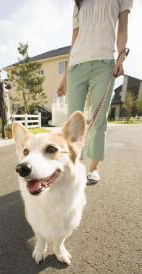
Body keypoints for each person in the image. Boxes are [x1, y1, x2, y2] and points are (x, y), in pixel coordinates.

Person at [58, 0, 133, 185]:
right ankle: (72, 166)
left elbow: (122, 29)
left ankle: (93, 168)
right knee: (73, 122)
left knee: (98, 119)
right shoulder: (79, 3)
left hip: (104, 63)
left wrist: (121, 56)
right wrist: (65, 77)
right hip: (76, 66)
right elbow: (74, 41)